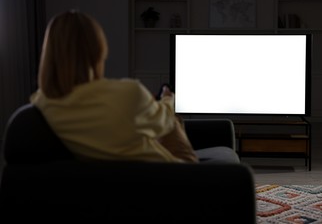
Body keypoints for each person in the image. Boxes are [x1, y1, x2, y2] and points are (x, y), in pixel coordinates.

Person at [30, 10, 198, 163]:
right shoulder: (129, 93)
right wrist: (168, 98)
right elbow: (166, 123)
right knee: (172, 117)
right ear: (98, 51)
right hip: (177, 178)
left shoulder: (42, 102)